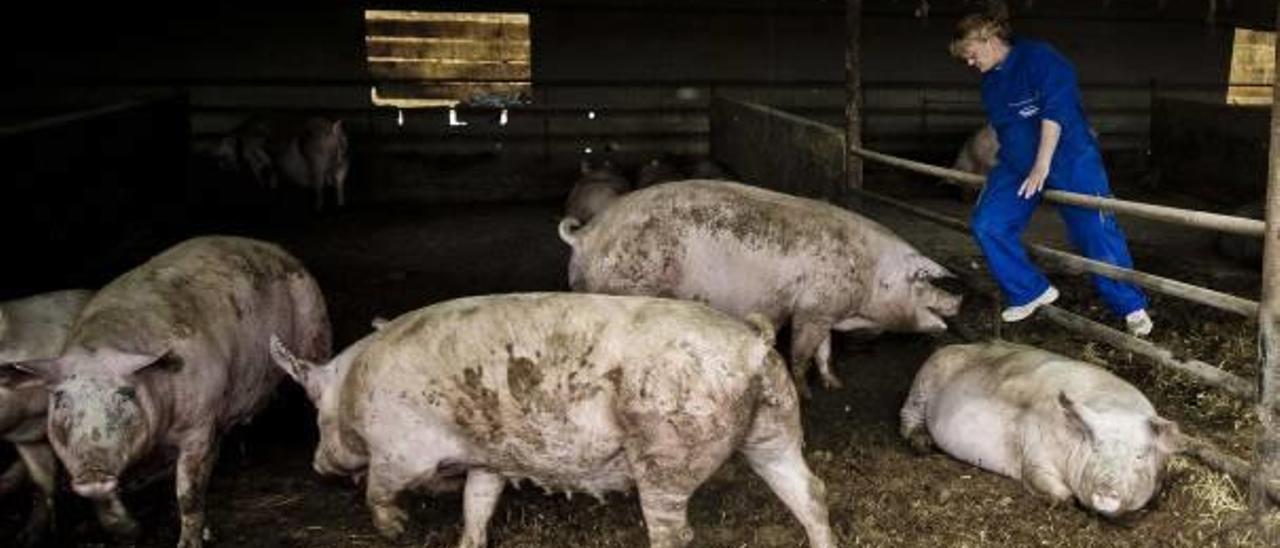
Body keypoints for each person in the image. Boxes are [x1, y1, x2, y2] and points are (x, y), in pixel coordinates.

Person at [949, 9, 1153, 337]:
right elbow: (1005, 130)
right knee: (988, 224)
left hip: (1069, 158)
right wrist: (1020, 166)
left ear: (988, 39)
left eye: (971, 55)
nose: (970, 63)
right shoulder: (990, 84)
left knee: (1095, 230)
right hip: (1017, 165)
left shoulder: (1040, 58)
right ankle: (1030, 290)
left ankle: (1131, 306)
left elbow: (1055, 113)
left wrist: (1042, 165)